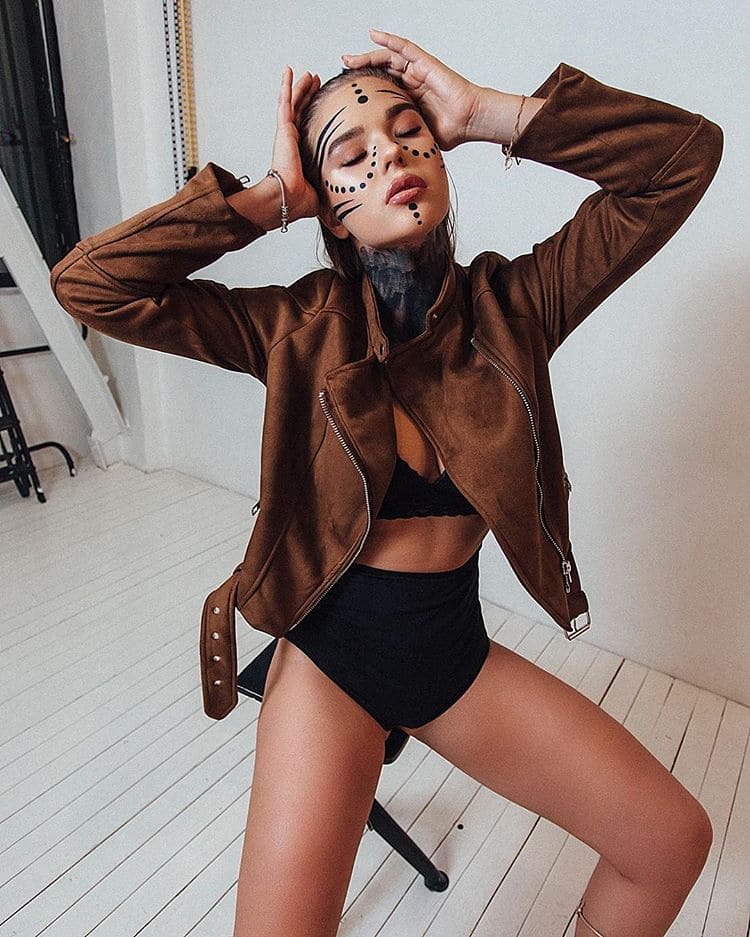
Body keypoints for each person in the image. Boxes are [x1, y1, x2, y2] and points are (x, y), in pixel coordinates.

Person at [50, 28, 723, 937]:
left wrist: (488, 113)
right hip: (332, 658)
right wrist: (268, 198)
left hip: (449, 652)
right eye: (350, 154)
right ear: (329, 210)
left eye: (411, 134)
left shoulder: (517, 308)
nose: (392, 157)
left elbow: (682, 159)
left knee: (670, 840)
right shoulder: (296, 328)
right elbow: (90, 286)